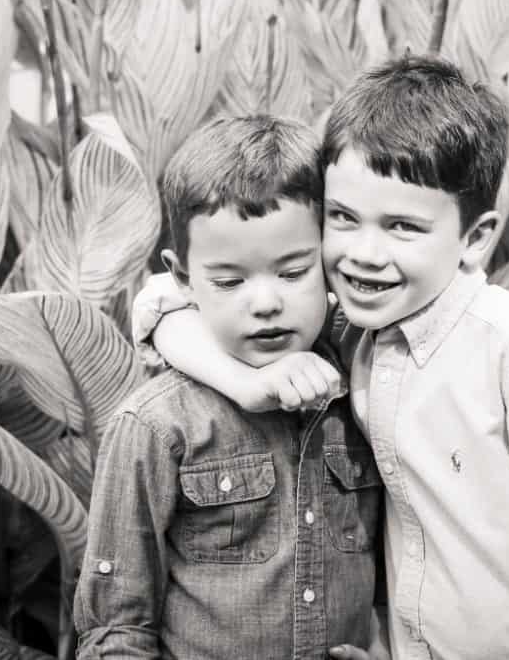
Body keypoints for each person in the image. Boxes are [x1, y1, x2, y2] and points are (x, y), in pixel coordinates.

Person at [136, 55, 509, 660]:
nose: (364, 254)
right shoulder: (354, 330)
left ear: (475, 238)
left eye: (402, 227)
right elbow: (163, 299)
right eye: (344, 218)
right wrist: (247, 385)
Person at [75, 115, 389, 659]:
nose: (264, 303)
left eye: (294, 272)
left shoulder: (363, 385)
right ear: (183, 278)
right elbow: (116, 624)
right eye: (228, 282)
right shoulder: (158, 427)